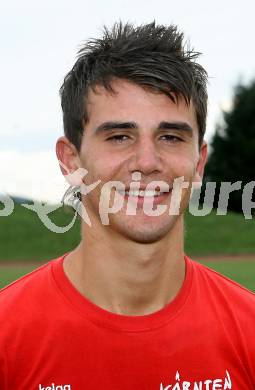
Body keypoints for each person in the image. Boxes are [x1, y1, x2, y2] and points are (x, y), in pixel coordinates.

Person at [0, 22, 254, 390]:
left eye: (170, 136)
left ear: (199, 163)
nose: (147, 161)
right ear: (71, 161)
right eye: (119, 136)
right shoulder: (7, 336)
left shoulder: (248, 331)